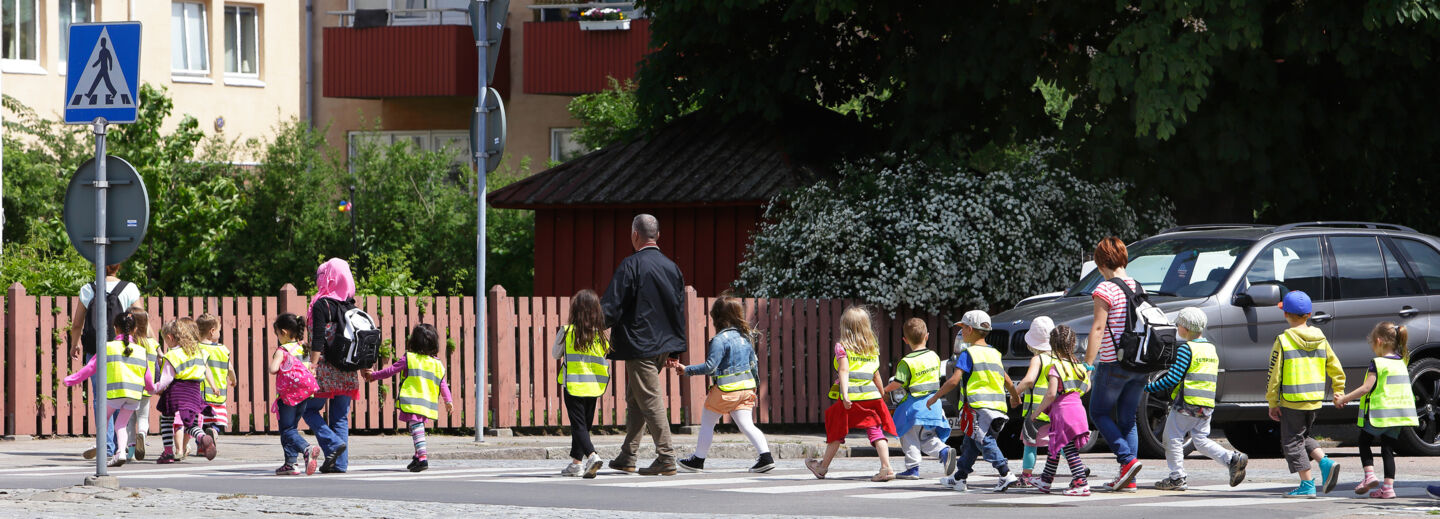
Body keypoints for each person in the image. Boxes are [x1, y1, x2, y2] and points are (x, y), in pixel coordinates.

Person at [601, 214, 688, 476]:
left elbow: (612, 305)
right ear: (658, 235)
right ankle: (628, 455)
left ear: (635, 235)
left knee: (649, 400)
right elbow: (677, 309)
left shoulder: (631, 265)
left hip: (640, 345)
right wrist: (675, 349)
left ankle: (667, 457)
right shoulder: (673, 268)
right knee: (636, 399)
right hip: (663, 345)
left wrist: (592, 324)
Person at [1143, 307, 1249, 491]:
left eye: (1178, 324)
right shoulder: (1210, 349)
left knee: (1172, 437)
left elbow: (1173, 377)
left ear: (1185, 327)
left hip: (1187, 403)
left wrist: (1149, 388)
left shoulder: (1187, 349)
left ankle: (1177, 477)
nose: (1177, 326)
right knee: (1200, 440)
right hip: (1206, 403)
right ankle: (1231, 458)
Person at [674, 296, 774, 474]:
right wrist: (754, 386)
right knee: (747, 425)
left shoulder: (719, 340)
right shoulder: (745, 337)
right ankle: (766, 457)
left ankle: (698, 460)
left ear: (717, 318)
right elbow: (754, 364)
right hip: (747, 389)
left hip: (726, 390)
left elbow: (710, 367)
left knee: (707, 423)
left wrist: (686, 369)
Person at [929, 310, 1020, 492]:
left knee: (984, 441)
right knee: (970, 443)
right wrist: (1015, 397)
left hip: (978, 407)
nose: (961, 333)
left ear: (970, 329)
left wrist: (936, 396)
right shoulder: (994, 353)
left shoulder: (968, 354)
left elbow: (954, 380)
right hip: (998, 407)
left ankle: (1005, 473)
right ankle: (959, 478)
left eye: (962, 329)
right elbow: (1007, 380)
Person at [1266, 290, 1345, 498]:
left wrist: (1272, 401)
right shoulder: (1320, 338)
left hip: (1292, 400)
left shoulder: (1283, 340)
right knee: (1302, 436)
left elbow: (1274, 373)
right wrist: (1339, 389)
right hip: (1314, 399)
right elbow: (1335, 366)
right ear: (1308, 315)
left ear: (1286, 314)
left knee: (1291, 442)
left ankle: (1307, 484)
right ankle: (1326, 462)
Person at [806, 306, 897, 482]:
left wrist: (845, 394)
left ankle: (822, 467)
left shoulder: (842, 347)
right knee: (876, 431)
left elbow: (844, 370)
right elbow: (876, 374)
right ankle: (887, 467)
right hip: (872, 397)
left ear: (844, 327)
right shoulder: (872, 348)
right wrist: (882, 393)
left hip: (853, 397)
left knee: (837, 431)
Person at [1085, 236, 1146, 492]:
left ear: (1100, 263)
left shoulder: (1104, 289)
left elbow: (1098, 329)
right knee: (1128, 419)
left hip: (1114, 363)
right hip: (1140, 364)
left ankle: (1127, 459)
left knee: (1098, 413)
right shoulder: (1137, 285)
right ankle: (1128, 478)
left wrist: (1088, 365)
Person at [1334, 322, 1416, 499]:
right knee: (1388, 449)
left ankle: (1369, 475)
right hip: (1398, 416)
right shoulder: (1402, 361)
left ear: (1378, 341)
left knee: (1364, 441)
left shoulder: (1377, 363)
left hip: (1380, 414)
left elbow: (1366, 388)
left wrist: (1344, 399)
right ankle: (1388, 488)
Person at [69, 263, 140, 461]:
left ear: (96, 264)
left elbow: (77, 324)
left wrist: (75, 344)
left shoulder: (88, 289)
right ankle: (121, 446)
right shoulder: (130, 288)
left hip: (96, 351)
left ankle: (106, 446)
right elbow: (141, 320)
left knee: (101, 398)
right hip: (122, 351)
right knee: (121, 396)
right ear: (119, 266)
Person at [62, 312, 152, 468]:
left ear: (115, 329)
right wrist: (154, 388)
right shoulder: (141, 351)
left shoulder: (108, 347)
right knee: (121, 425)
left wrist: (70, 380)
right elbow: (148, 378)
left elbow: (90, 368)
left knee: (104, 420)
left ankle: (102, 444)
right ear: (135, 329)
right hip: (134, 396)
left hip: (115, 394)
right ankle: (121, 453)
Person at [365, 324, 454, 473]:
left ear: (414, 342)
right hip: (427, 403)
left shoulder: (410, 358)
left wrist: (374, 376)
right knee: (417, 429)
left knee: (416, 429)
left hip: (413, 401)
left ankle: (423, 457)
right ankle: (417, 457)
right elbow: (442, 384)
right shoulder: (437, 363)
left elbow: (390, 371)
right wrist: (448, 401)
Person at [881, 318, 953, 480]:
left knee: (908, 435)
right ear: (926, 336)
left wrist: (884, 390)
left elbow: (898, 382)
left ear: (905, 340)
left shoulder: (907, 362)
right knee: (926, 437)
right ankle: (944, 452)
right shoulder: (934, 356)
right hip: (934, 405)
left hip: (915, 408)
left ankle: (913, 468)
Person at [308, 258, 362, 473]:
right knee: (340, 417)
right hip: (348, 370)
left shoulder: (322, 304)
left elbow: (318, 339)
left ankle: (332, 443)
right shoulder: (351, 305)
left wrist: (311, 366)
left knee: (309, 410)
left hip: (325, 370)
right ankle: (340, 464)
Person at [552, 290, 611, 478]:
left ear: (575, 310)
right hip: (594, 386)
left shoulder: (567, 331)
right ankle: (576, 464)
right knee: (584, 425)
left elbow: (555, 354)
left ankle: (592, 455)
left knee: (578, 425)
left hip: (574, 385)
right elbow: (605, 355)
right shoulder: (600, 336)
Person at [1034, 326, 1093, 496]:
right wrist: (1087, 375)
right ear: (1073, 343)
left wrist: (1037, 412)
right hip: (1077, 410)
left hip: (1062, 413)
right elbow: (1086, 387)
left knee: (1067, 448)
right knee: (1056, 446)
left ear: (1052, 344)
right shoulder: (1078, 366)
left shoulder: (1056, 367)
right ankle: (1046, 480)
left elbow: (1051, 393)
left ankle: (1081, 482)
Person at [269, 313, 329, 476]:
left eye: (277, 334)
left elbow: (273, 369)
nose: (278, 338)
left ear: (284, 332)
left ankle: (306, 449)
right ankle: (290, 464)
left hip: (287, 397)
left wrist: (277, 360)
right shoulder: (303, 348)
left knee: (287, 430)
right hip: (304, 396)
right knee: (292, 429)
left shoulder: (282, 350)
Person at [154, 319, 219, 464]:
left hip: (177, 392)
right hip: (195, 392)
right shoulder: (198, 352)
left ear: (171, 337)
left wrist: (155, 388)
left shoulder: (172, 355)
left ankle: (168, 451)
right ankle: (202, 437)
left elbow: (166, 378)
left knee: (166, 419)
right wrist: (213, 385)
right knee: (190, 423)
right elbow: (205, 370)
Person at [1013, 316, 1056, 488]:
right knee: (1059, 442)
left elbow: (1029, 380)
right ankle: (1080, 469)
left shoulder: (1037, 359)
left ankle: (1026, 476)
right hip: (1055, 410)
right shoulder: (1058, 358)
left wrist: (1014, 394)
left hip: (1035, 411)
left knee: (1030, 444)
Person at [125, 307, 158, 462]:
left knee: (129, 420)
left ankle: (131, 452)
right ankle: (142, 434)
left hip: (130, 388)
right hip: (146, 388)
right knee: (143, 417)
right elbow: (160, 362)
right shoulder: (152, 344)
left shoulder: (128, 345)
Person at [196, 314, 235, 441]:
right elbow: (230, 368)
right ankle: (214, 431)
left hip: (200, 393)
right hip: (218, 392)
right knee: (217, 419)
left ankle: (201, 445)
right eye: (219, 330)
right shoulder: (223, 349)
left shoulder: (197, 348)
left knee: (199, 422)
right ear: (212, 331)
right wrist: (233, 379)